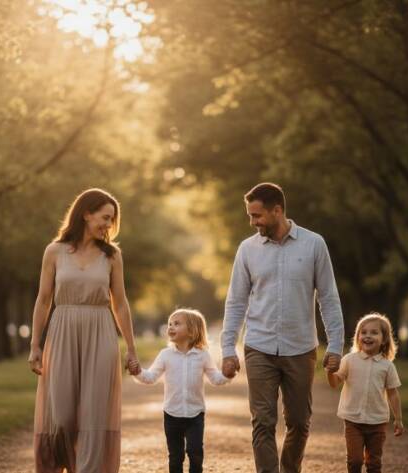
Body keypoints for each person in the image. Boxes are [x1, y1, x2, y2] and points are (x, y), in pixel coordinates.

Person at [221, 182, 345, 473]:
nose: (253, 222)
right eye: (250, 216)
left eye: (257, 215)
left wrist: (336, 345)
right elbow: (236, 302)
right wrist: (227, 348)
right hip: (259, 346)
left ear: (277, 210)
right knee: (262, 422)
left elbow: (328, 297)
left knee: (299, 422)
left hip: (300, 348)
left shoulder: (314, 244)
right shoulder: (247, 249)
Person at [27, 188, 140, 473]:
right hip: (62, 331)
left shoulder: (112, 256)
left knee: (94, 414)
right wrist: (35, 345)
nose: (109, 224)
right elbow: (43, 300)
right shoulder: (54, 252)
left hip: (100, 333)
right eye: (105, 217)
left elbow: (120, 303)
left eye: (112, 219)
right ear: (86, 214)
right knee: (61, 414)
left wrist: (131, 349)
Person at [129, 308, 230, 473]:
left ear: (192, 330)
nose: (170, 327)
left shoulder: (203, 356)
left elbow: (216, 378)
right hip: (171, 414)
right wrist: (137, 372)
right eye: (170, 324)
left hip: (195, 415)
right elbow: (150, 377)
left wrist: (228, 374)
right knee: (175, 456)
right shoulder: (165, 355)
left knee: (195, 452)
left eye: (177, 324)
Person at [327, 313, 404, 473]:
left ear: (384, 339)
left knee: (374, 463)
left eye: (374, 332)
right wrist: (330, 371)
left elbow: (392, 393)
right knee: (355, 461)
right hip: (353, 421)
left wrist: (398, 419)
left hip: (377, 422)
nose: (367, 336)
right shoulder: (349, 360)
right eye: (363, 332)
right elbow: (334, 383)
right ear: (358, 337)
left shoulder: (387, 366)